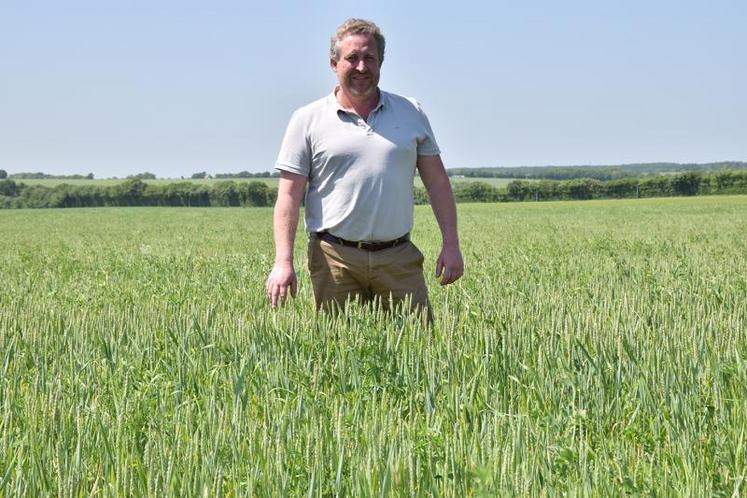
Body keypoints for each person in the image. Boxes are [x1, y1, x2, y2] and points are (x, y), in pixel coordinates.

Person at [265, 18, 463, 318]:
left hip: (398, 258)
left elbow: (437, 182)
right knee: (338, 354)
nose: (361, 67)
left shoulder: (411, 112)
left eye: (369, 58)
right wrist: (283, 261)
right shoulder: (307, 119)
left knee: (419, 352)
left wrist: (451, 244)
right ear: (334, 63)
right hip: (334, 260)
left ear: (381, 61)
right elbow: (289, 196)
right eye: (351, 58)